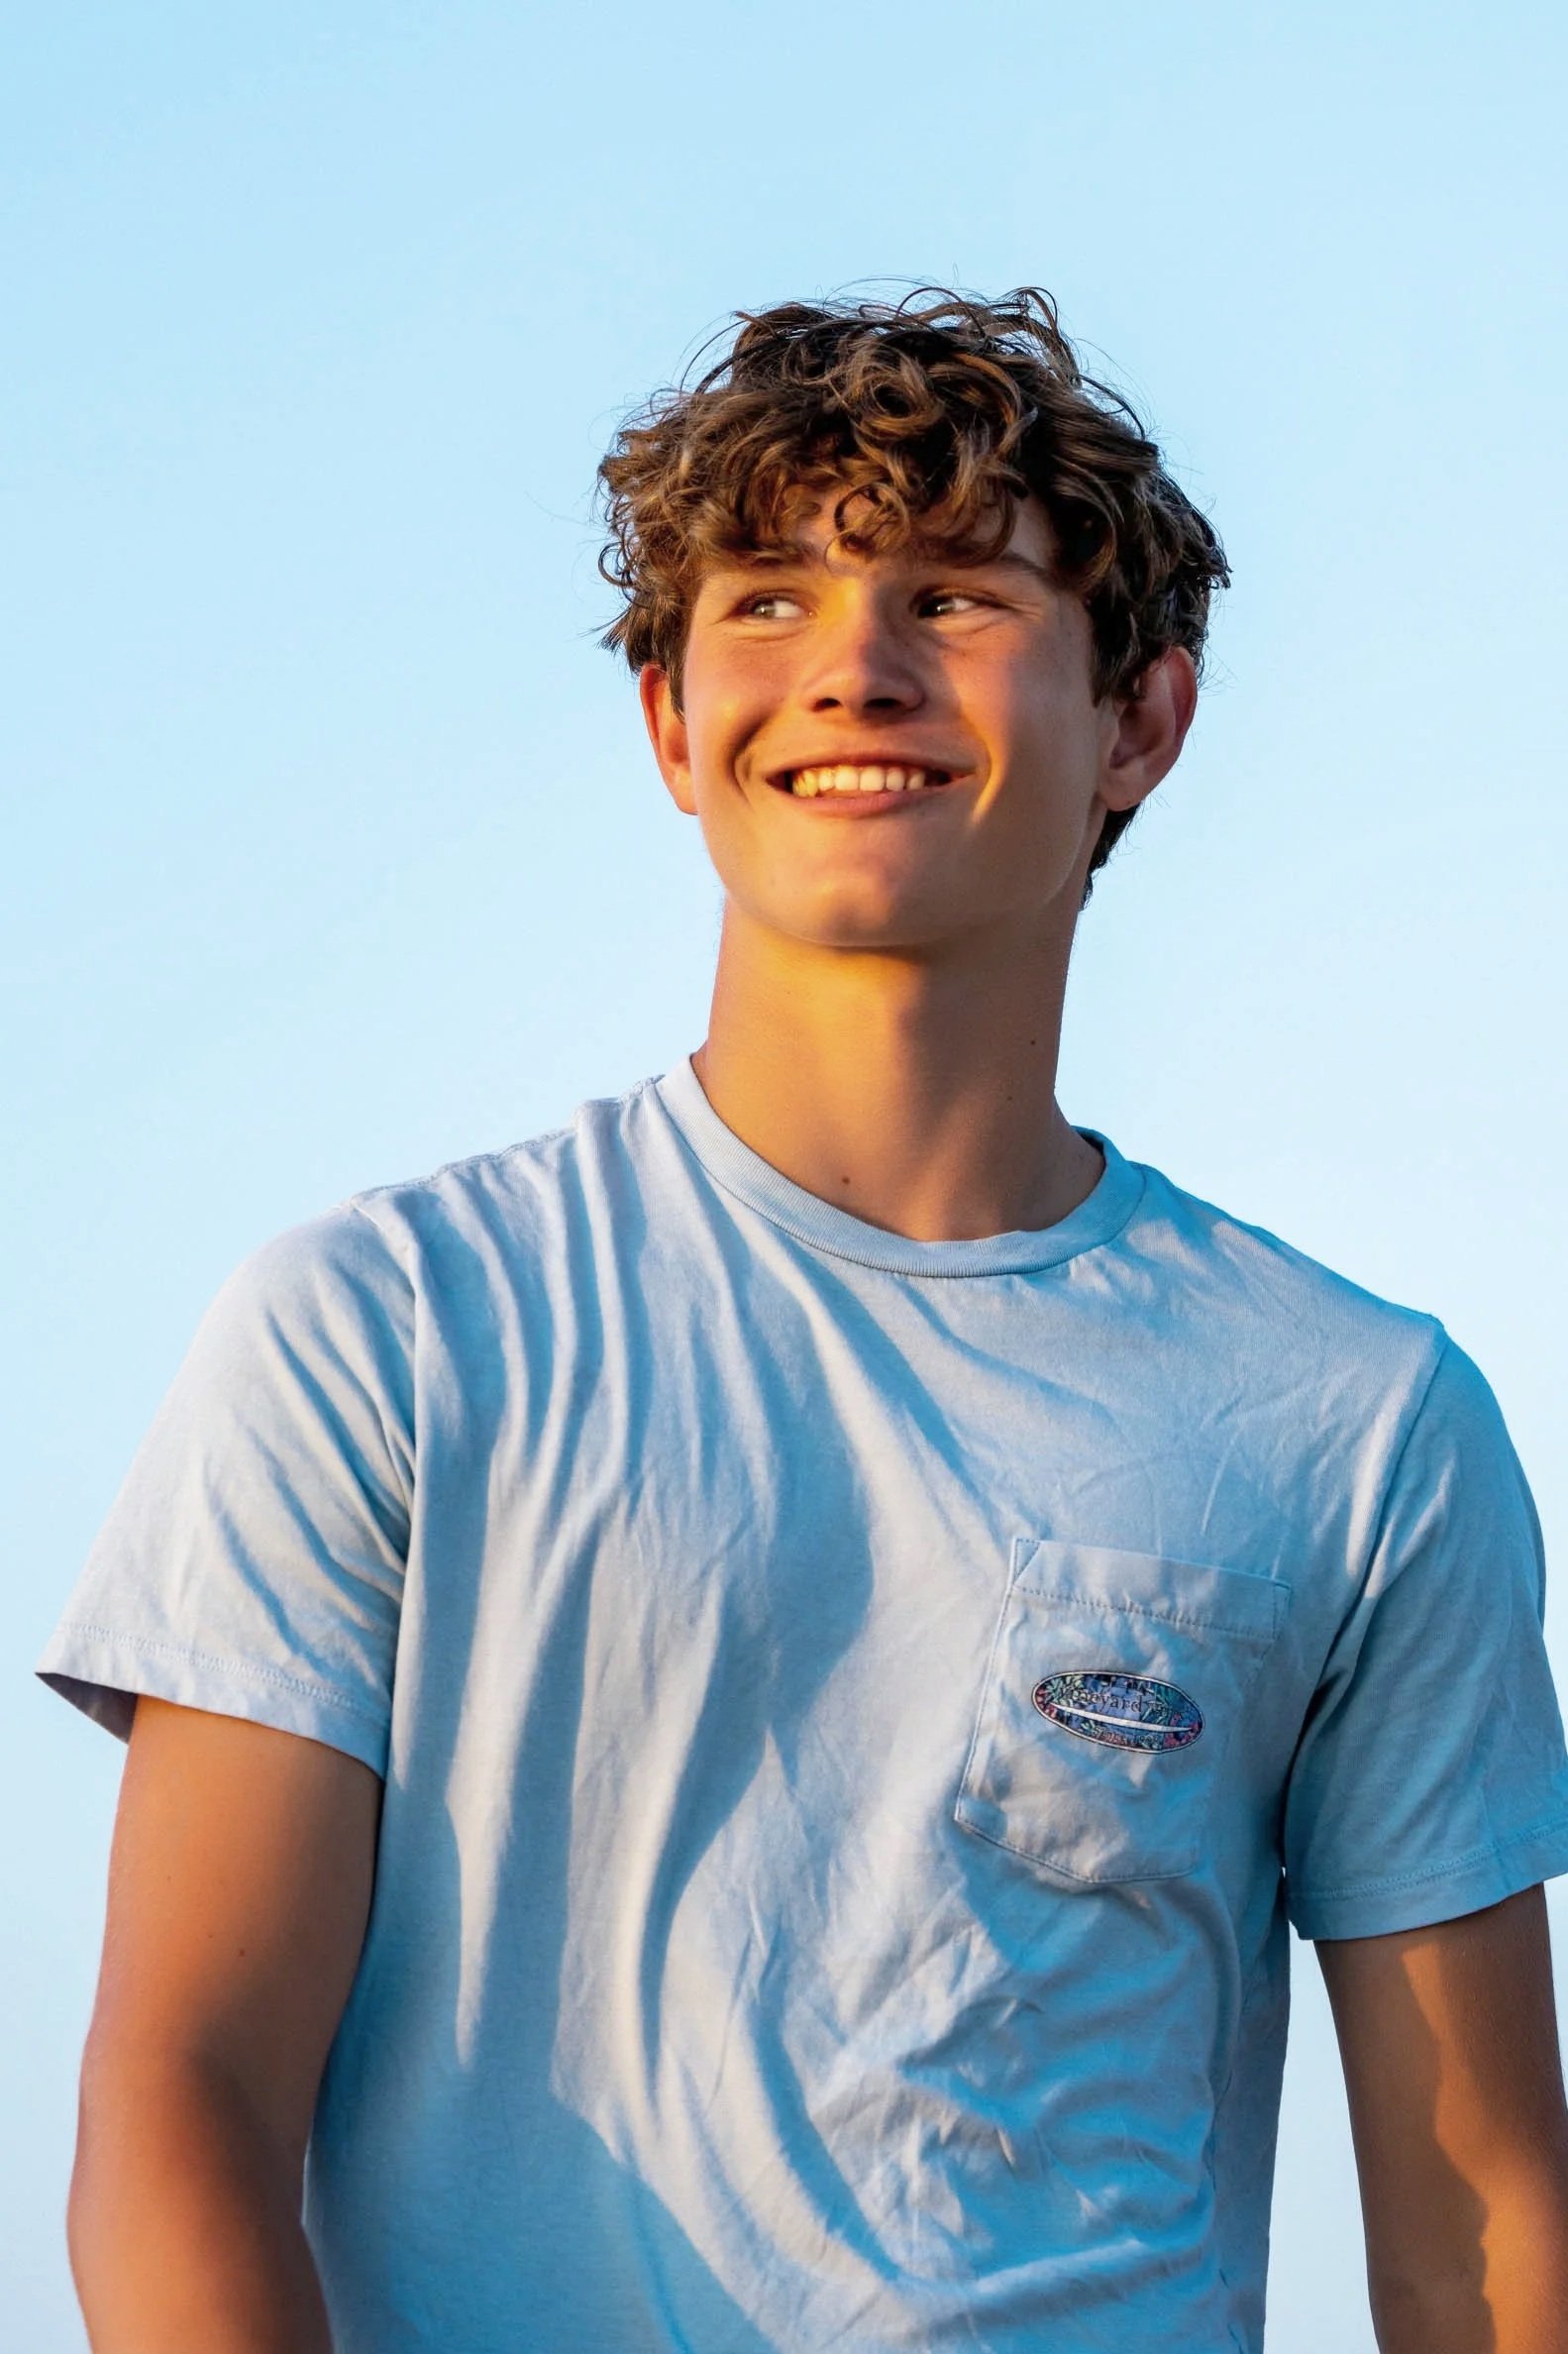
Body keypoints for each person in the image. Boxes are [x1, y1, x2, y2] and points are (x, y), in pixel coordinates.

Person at [41, 287, 1568, 2354]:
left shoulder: (1361, 1422)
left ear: (1143, 722)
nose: (852, 665)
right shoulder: (380, 1334)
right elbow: (187, 2098)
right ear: (672, 725)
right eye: (764, 599)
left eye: (952, 596)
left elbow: (1478, 2235)